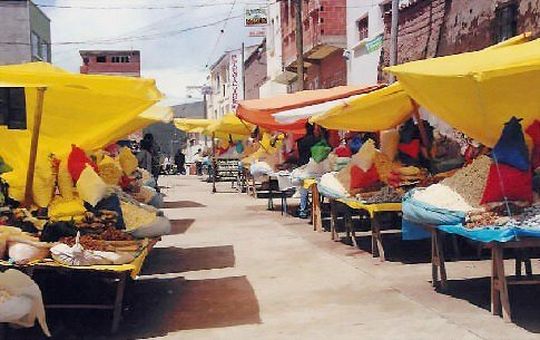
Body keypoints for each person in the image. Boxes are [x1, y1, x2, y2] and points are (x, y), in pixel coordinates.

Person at [296, 123, 321, 219]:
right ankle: (317, 206)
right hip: (316, 167)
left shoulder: (300, 141)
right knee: (316, 189)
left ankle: (303, 210)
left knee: (304, 190)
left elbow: (298, 154)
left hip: (303, 167)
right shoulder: (318, 141)